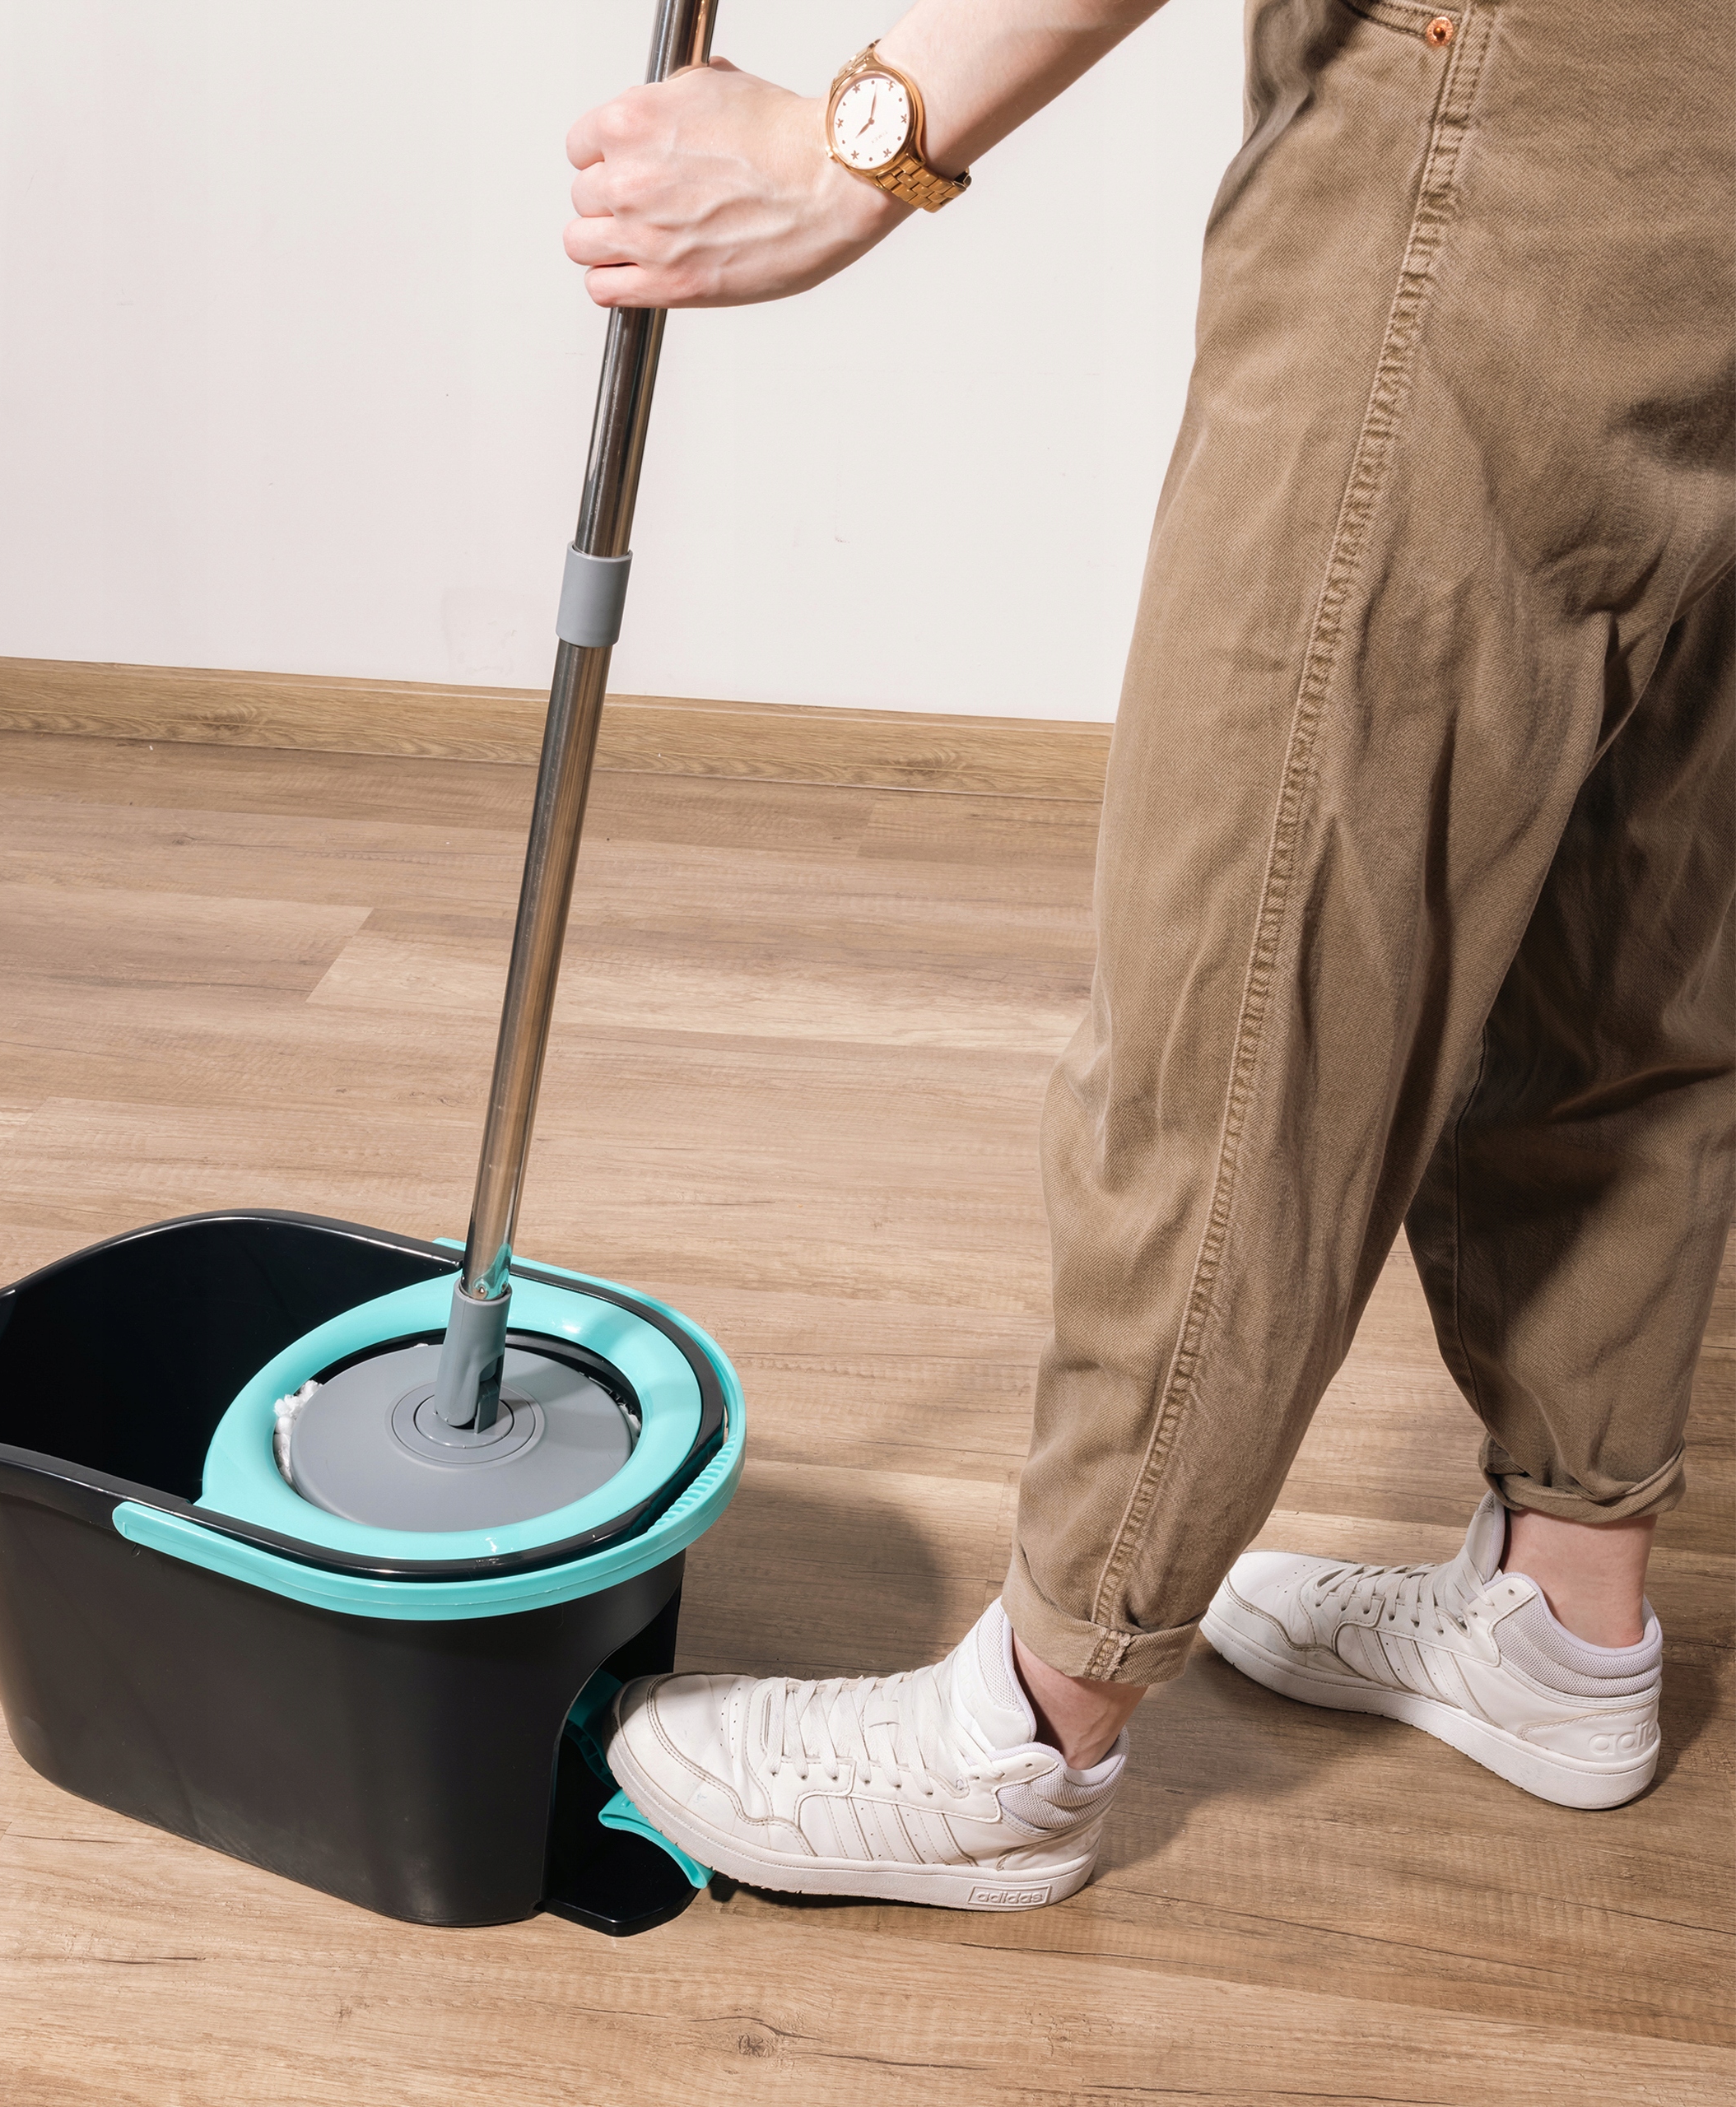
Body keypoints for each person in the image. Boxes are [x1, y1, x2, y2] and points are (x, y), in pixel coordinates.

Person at [584, 0, 1736, 1909]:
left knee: (1250, 940)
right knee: (1628, 897)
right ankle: (1563, 1611)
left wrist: (857, 139)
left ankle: (1026, 1735)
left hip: (1505, 98)